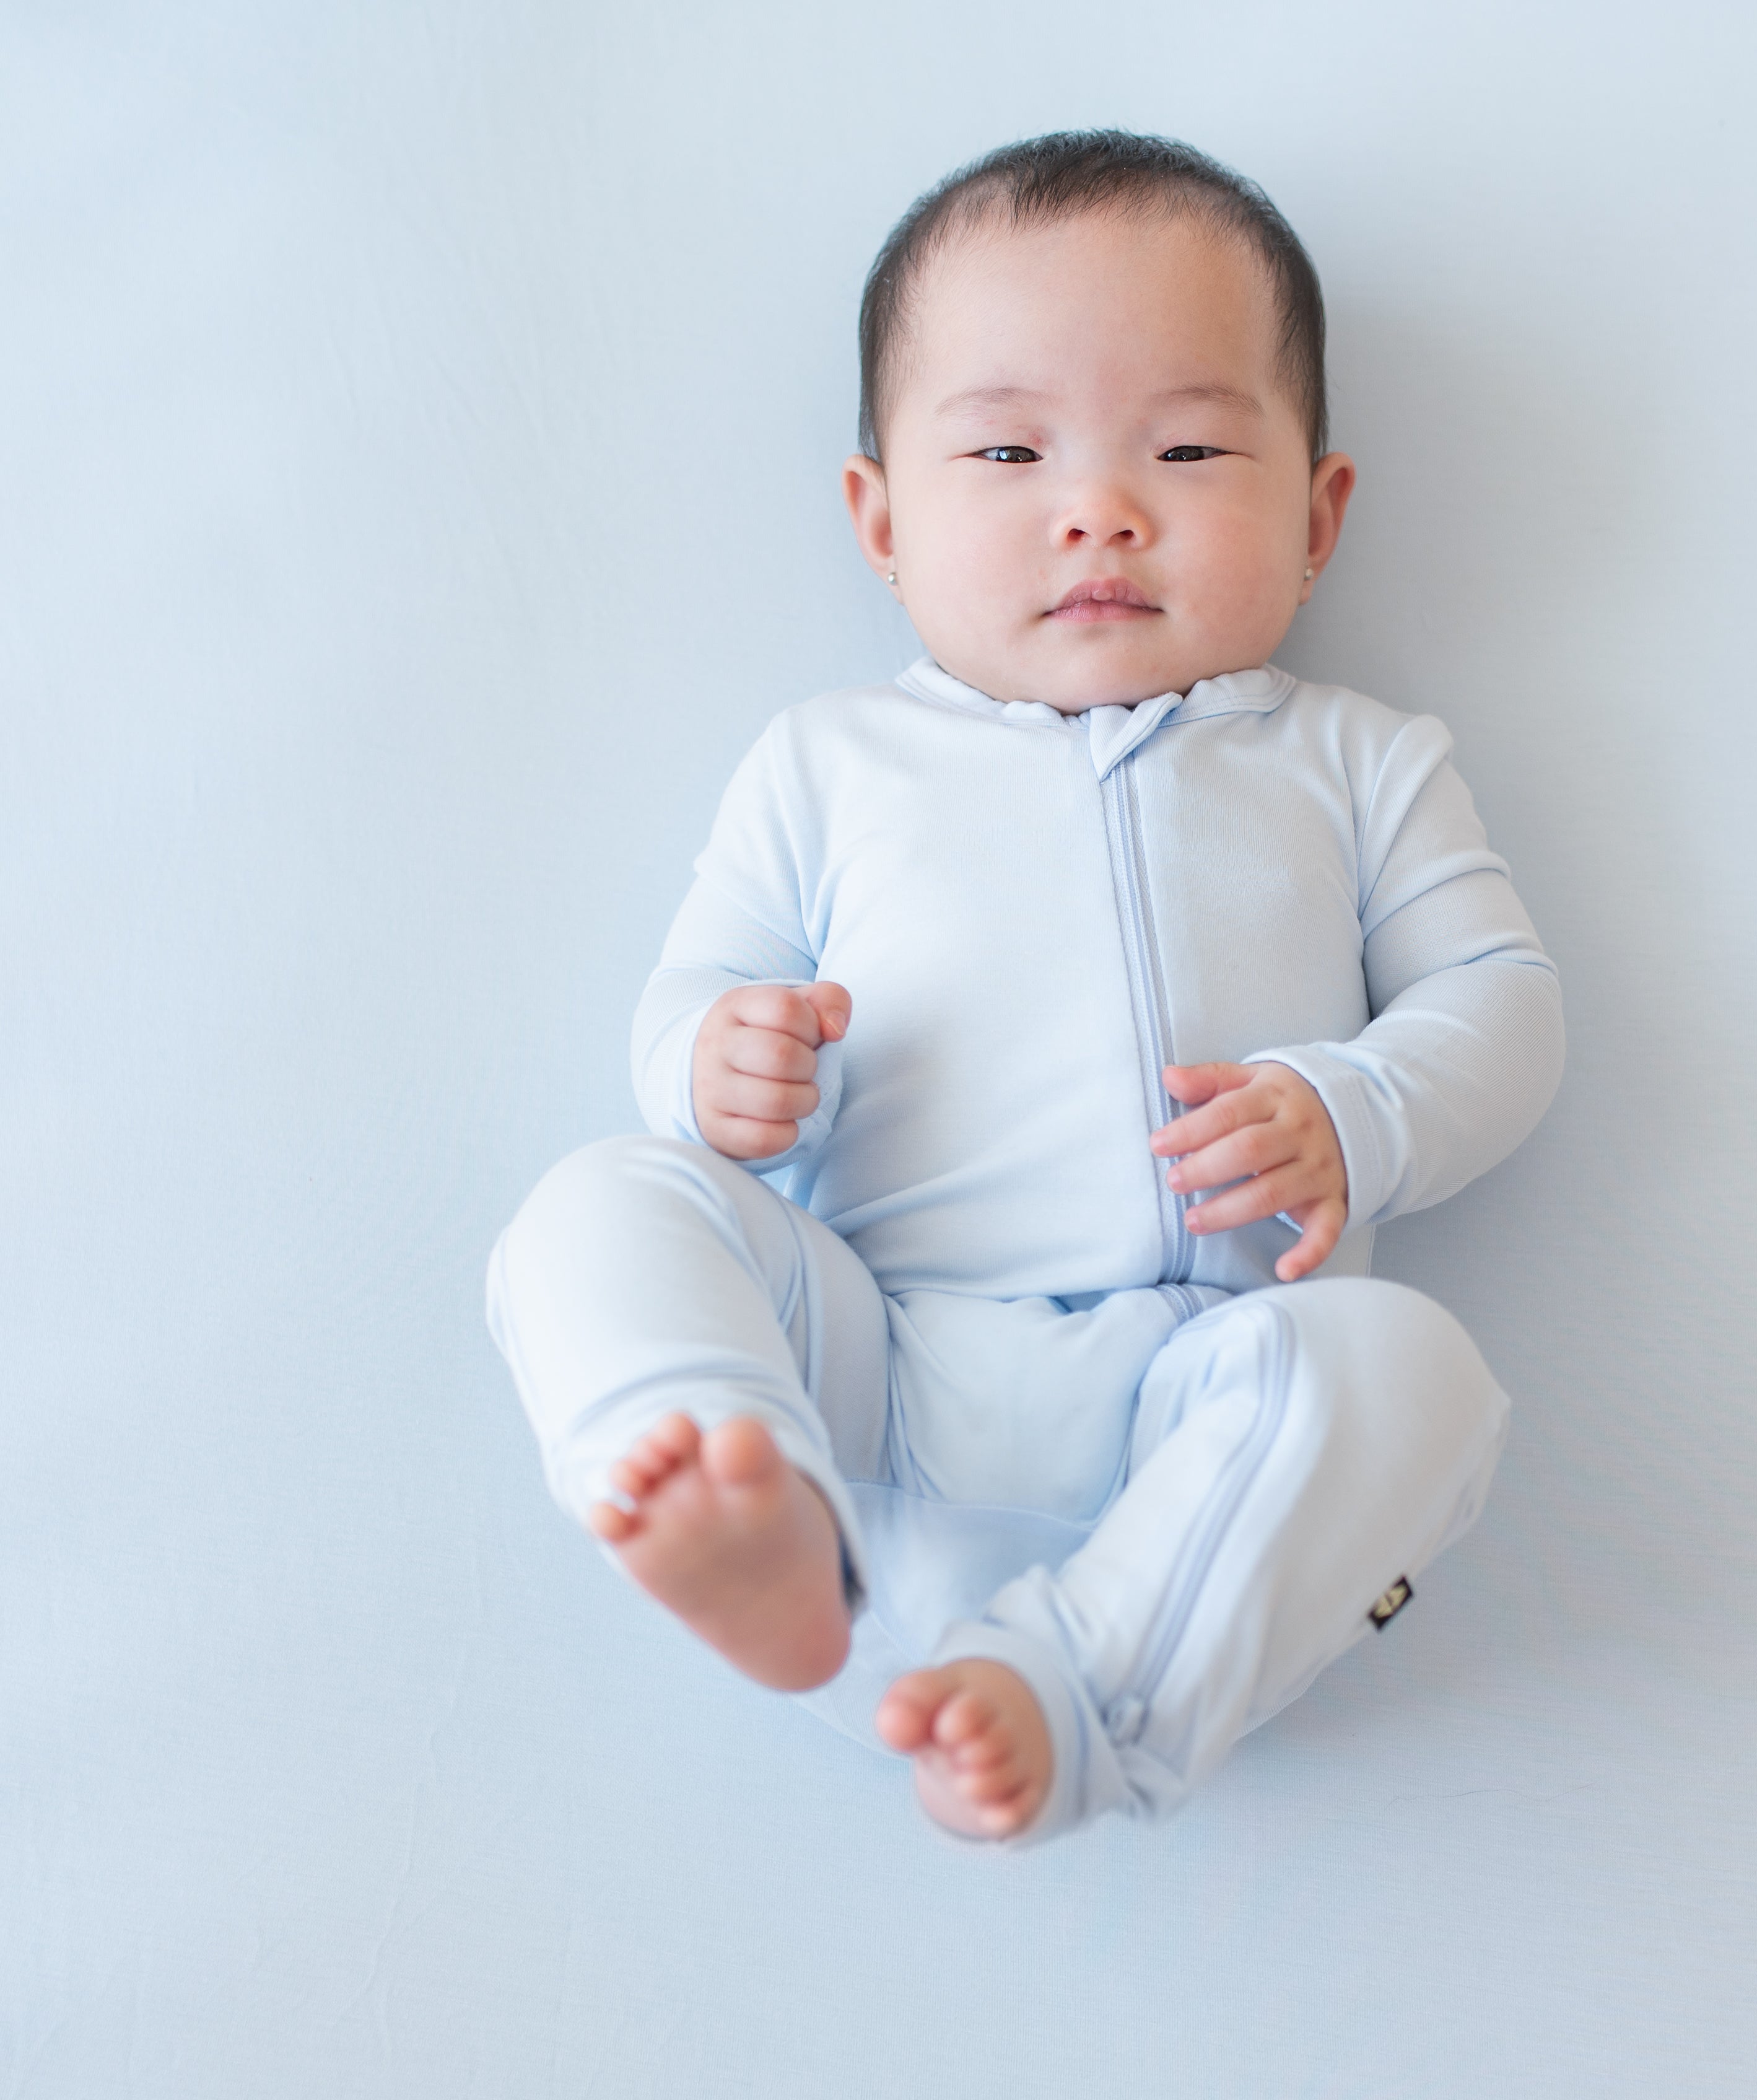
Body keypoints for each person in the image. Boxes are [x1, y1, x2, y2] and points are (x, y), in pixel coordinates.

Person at [486, 131, 1564, 1844]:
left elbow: (1502, 1002)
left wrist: (1362, 1108)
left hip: (1215, 1397)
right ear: (885, 524)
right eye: (1008, 449)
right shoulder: (828, 765)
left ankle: (1075, 1692)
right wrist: (714, 1062)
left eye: (1192, 447)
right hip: (881, 1366)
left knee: (1410, 1369)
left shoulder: (1356, 761)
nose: (1099, 508)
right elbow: (694, 988)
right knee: (593, 1208)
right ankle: (732, 1502)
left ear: (1317, 514)